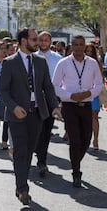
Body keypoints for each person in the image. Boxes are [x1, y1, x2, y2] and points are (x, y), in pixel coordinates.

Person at [0, 28, 61, 205]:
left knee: (29, 152)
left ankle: (20, 184)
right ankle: (23, 188)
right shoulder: (9, 63)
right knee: (20, 151)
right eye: (34, 39)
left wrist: (55, 107)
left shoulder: (41, 62)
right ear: (24, 41)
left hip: (36, 114)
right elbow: (2, 90)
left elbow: (47, 87)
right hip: (17, 115)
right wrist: (14, 107)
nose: (38, 43)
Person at [52, 35, 103, 188]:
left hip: (86, 105)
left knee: (86, 139)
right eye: (76, 44)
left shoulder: (92, 63)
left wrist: (89, 93)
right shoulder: (63, 63)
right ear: (71, 46)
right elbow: (54, 85)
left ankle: (75, 161)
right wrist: (69, 96)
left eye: (81, 44)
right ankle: (76, 172)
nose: (79, 47)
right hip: (70, 106)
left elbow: (99, 84)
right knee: (75, 140)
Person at [33, 31, 62, 177]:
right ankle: (36, 152)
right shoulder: (32, 57)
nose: (44, 43)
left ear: (50, 42)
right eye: (41, 40)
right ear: (37, 41)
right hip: (34, 99)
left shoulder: (58, 59)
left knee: (46, 130)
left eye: (46, 40)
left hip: (51, 99)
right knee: (35, 130)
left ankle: (42, 161)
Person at [85, 43, 104, 150]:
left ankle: (95, 139)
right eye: (86, 51)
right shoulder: (80, 62)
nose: (88, 53)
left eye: (90, 51)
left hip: (94, 93)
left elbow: (100, 79)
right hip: (82, 92)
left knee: (94, 117)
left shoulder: (97, 63)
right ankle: (86, 139)